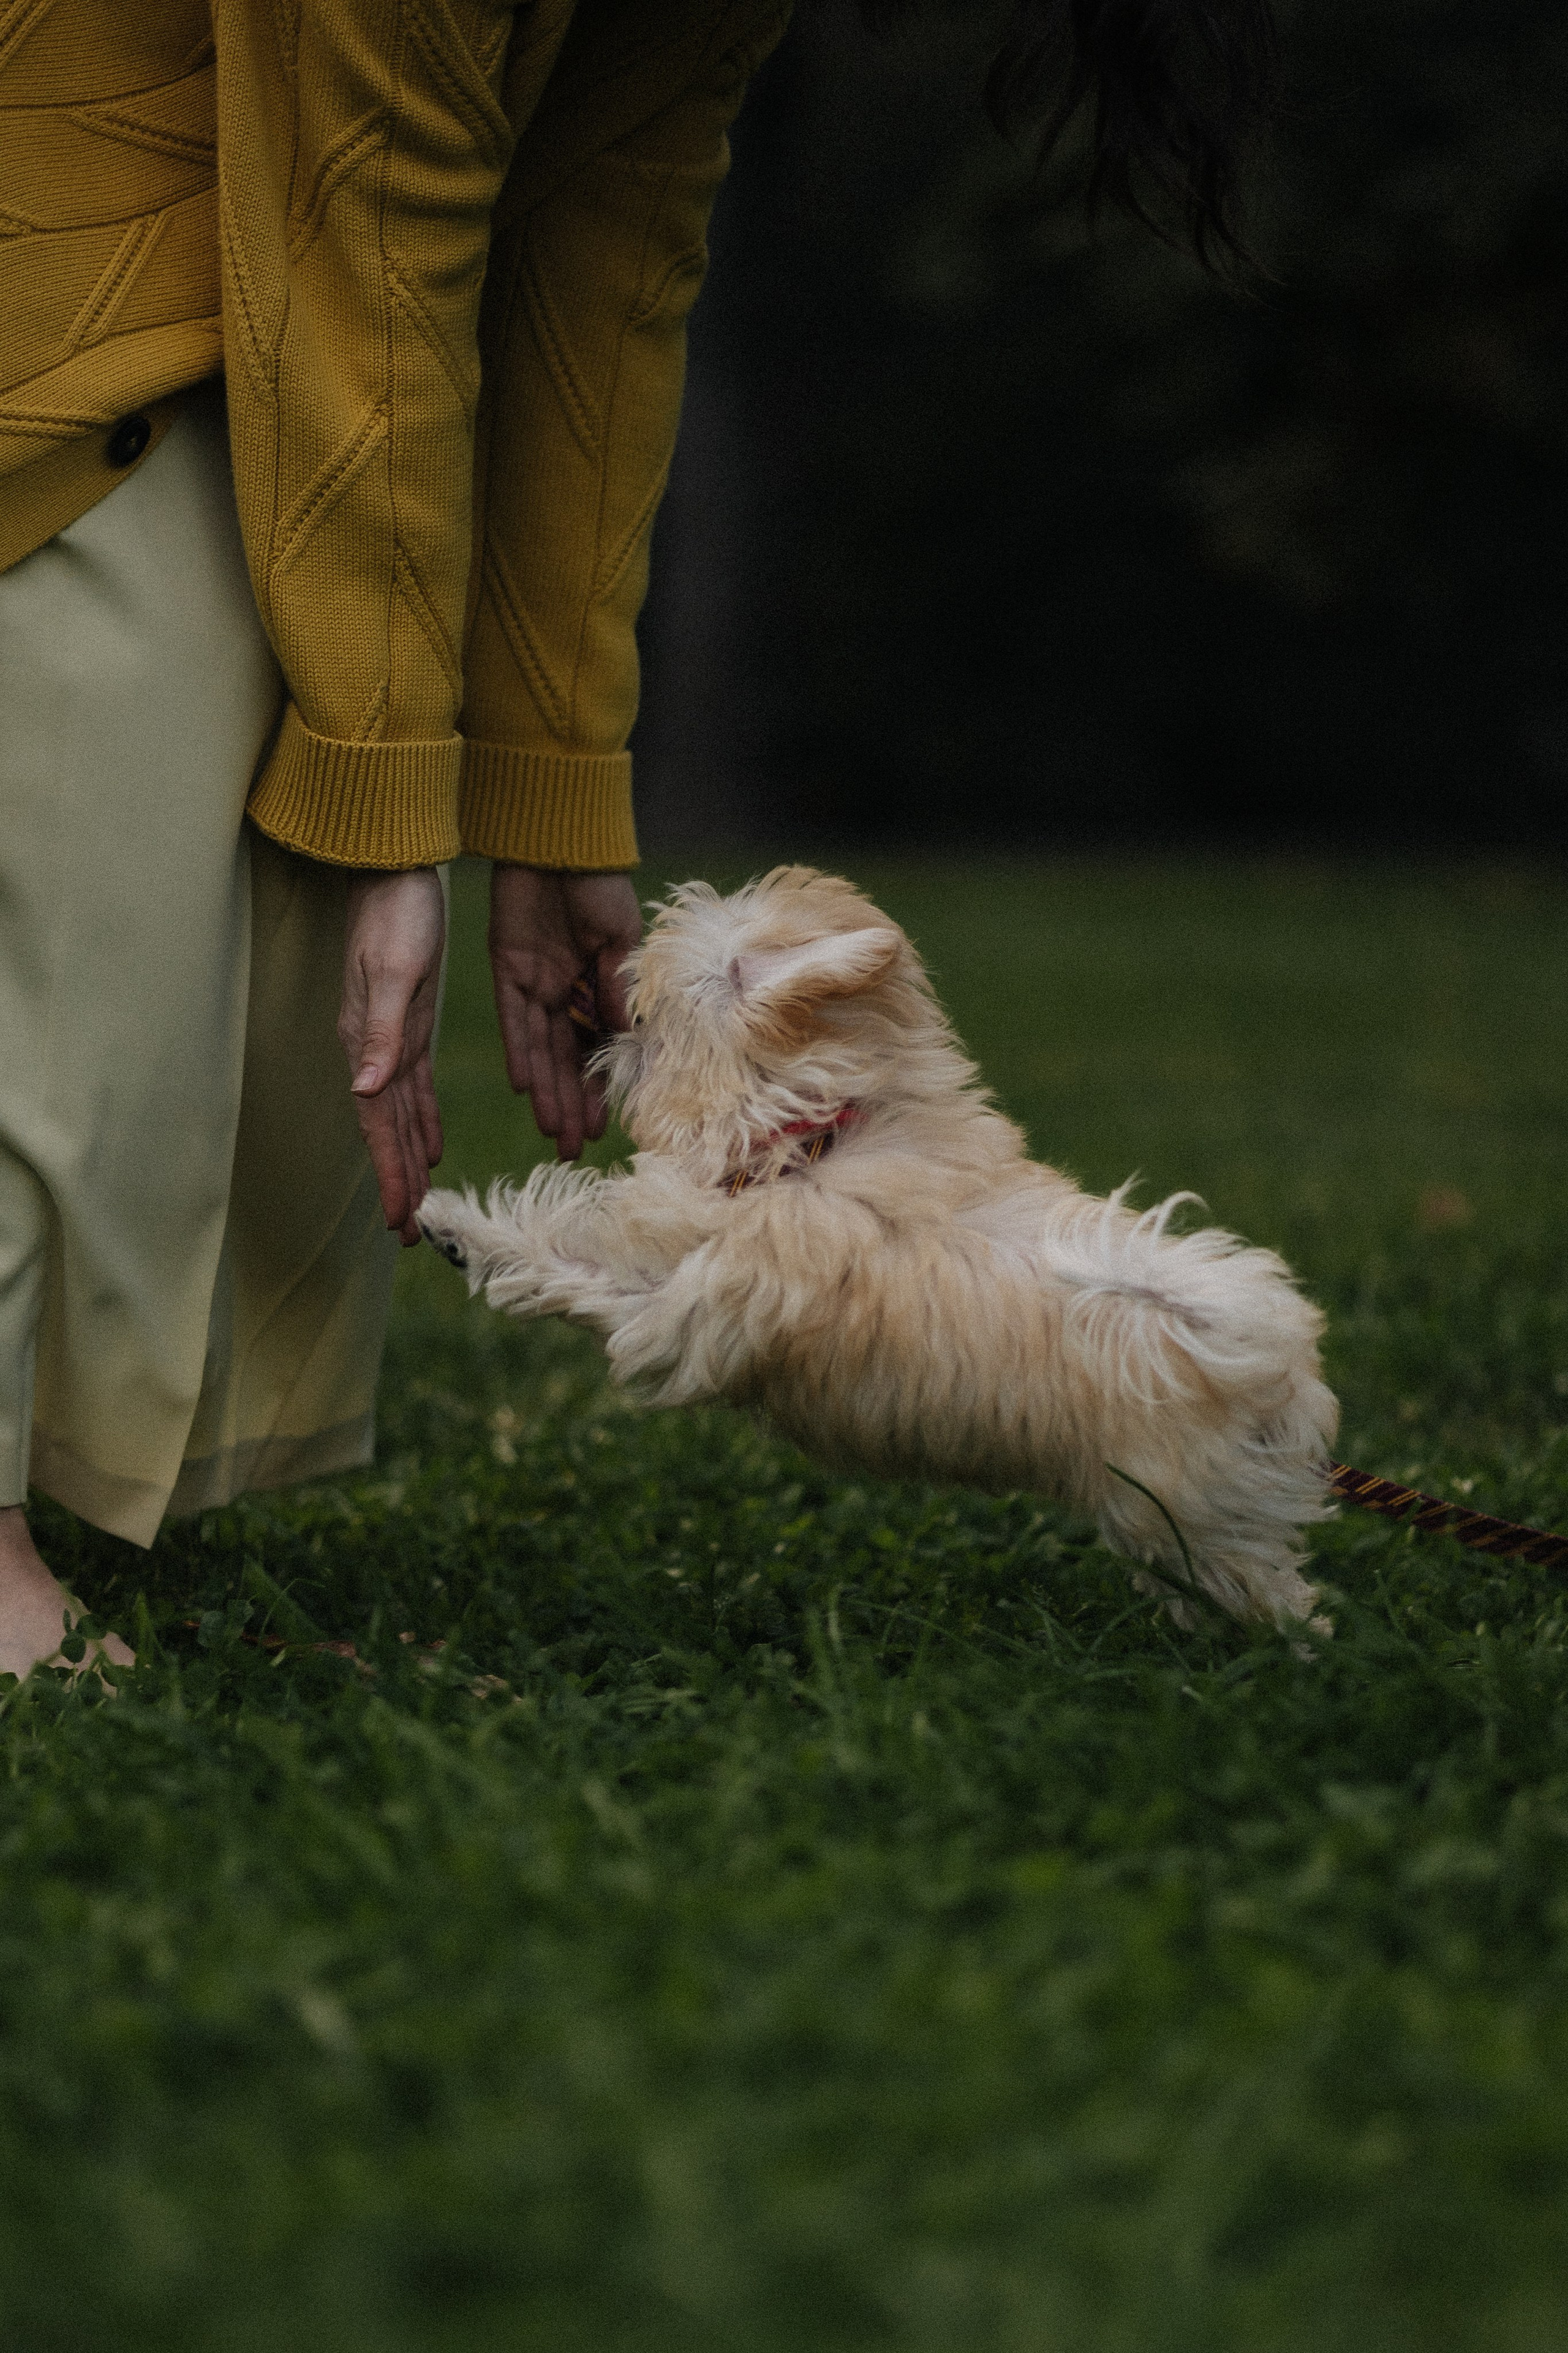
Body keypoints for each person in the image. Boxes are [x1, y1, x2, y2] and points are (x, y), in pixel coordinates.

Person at [0, 0, 1276, 1684]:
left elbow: (609, 249)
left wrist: (548, 798)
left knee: (206, 975)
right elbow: (370, 210)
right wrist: (396, 813)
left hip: (297, 303)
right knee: (76, 949)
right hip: (86, 275)